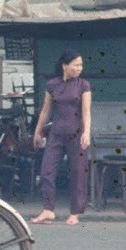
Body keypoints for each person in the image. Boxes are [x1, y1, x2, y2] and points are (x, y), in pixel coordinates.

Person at [31, 50, 92, 226]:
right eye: (76, 64)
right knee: (46, 171)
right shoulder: (52, 85)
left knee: (77, 173)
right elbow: (45, 111)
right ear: (65, 66)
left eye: (81, 65)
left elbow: (86, 112)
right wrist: (38, 131)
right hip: (56, 133)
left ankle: (75, 213)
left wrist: (87, 131)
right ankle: (48, 210)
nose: (80, 68)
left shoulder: (83, 85)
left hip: (77, 133)